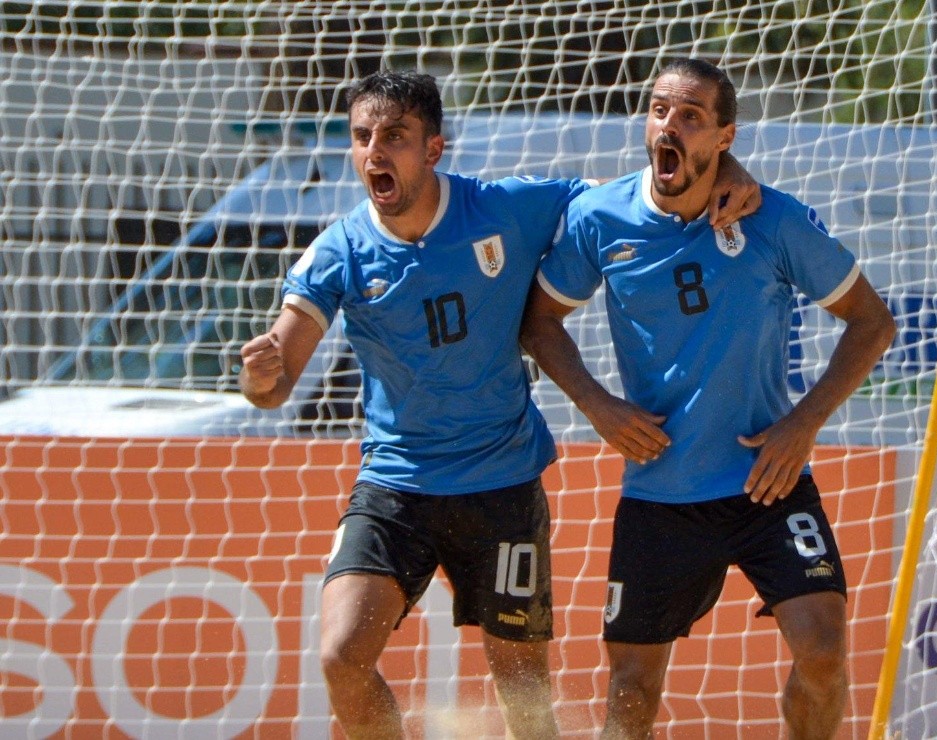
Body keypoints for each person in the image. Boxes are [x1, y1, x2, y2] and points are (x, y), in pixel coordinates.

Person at [237, 69, 761, 739]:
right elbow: (277, 381)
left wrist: (731, 165)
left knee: (522, 688)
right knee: (341, 656)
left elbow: (646, 193)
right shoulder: (338, 251)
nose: (374, 153)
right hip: (397, 487)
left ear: (433, 149)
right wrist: (262, 379)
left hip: (502, 486)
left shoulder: (506, 209)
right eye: (362, 137)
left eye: (394, 137)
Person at [519, 58, 897, 739]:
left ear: (724, 137)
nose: (669, 124)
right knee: (632, 690)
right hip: (662, 490)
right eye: (660, 108)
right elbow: (538, 320)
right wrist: (598, 406)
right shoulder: (600, 218)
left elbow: (874, 323)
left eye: (691, 115)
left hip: (766, 480)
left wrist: (803, 424)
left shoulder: (772, 219)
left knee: (824, 655)